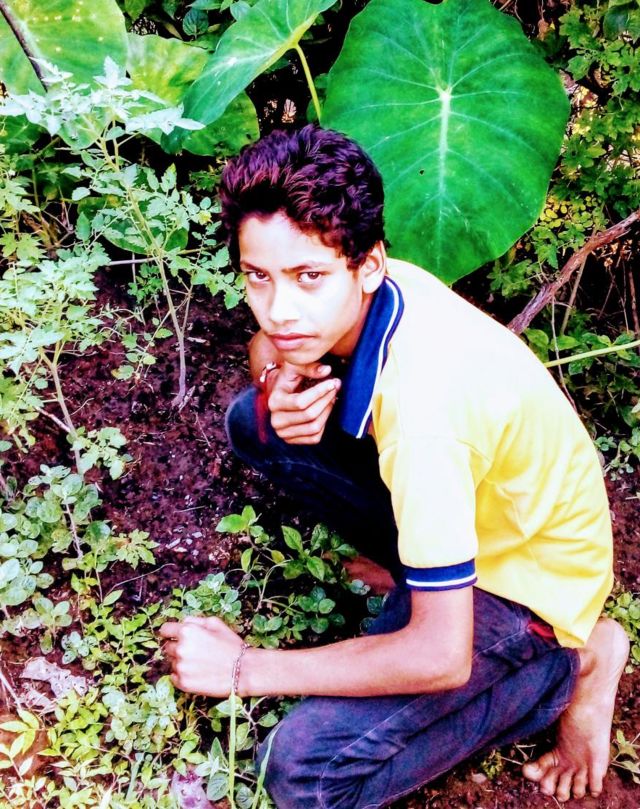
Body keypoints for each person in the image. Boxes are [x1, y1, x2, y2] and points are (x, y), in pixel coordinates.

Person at [160, 125, 629, 807]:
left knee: (303, 772)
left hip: (527, 585)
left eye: (309, 277)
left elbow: (441, 657)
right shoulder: (374, 293)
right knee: (254, 423)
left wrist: (241, 667)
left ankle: (574, 664)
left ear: (368, 265)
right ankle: (425, 575)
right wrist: (277, 384)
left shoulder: (425, 410)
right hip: (474, 505)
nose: (281, 310)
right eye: (260, 276)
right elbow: (268, 343)